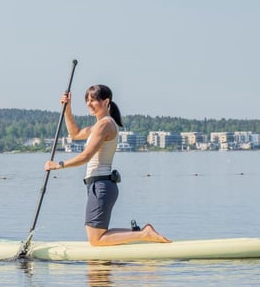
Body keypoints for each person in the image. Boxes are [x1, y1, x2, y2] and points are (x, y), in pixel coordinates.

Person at [45, 84, 171, 246]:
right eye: (87, 101)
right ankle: (141, 233)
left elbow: (86, 156)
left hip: (101, 185)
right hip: (98, 185)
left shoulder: (105, 125)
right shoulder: (99, 125)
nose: (89, 104)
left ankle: (144, 233)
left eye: (93, 100)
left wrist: (58, 165)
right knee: (97, 237)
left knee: (95, 240)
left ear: (106, 102)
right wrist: (67, 108)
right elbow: (74, 134)